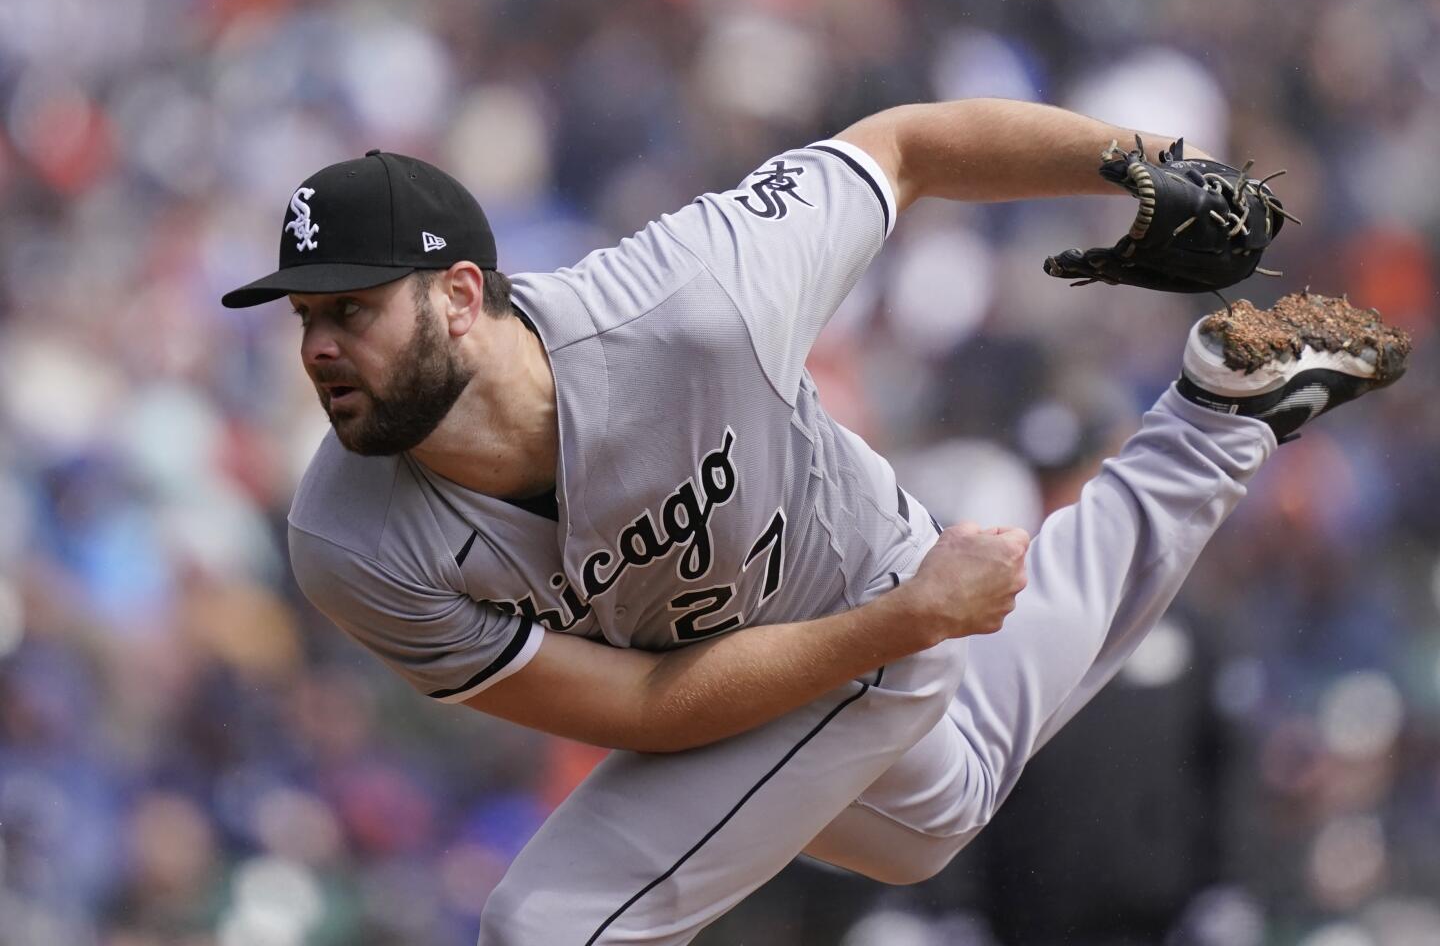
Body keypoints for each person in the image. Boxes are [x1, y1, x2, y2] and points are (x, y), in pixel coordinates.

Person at [223, 98, 1406, 944]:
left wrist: (1136, 159)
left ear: (462, 297)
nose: (320, 346)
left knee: (550, 923)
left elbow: (899, 148)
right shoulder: (349, 541)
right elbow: (637, 710)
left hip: (864, 610)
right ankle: (1217, 415)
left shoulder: (692, 302)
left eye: (353, 309)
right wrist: (912, 622)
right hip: (811, 656)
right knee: (942, 810)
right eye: (304, 316)